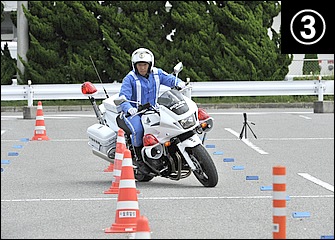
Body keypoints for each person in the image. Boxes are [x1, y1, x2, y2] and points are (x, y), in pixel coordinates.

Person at [119, 47, 186, 174]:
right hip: (135, 113)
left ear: (150, 64)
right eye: (139, 65)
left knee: (170, 124)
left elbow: (170, 79)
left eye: (144, 65)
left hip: (153, 109)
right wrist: (129, 108)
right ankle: (139, 160)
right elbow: (123, 97)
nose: (142, 68)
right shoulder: (130, 78)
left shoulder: (157, 73)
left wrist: (180, 83)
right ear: (135, 65)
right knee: (138, 130)